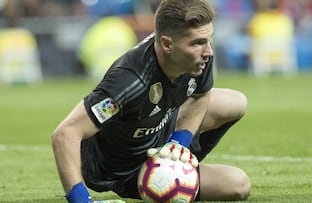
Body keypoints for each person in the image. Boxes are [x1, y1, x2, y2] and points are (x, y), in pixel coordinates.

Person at [51, 0, 251, 202]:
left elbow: (201, 95)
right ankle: (161, 177)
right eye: (197, 43)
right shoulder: (129, 81)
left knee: (236, 102)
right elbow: (65, 134)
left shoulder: (198, 56)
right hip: (124, 168)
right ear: (166, 44)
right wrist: (81, 200)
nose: (209, 51)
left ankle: (177, 162)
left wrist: (178, 143)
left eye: (209, 40)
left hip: (159, 129)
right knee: (238, 184)